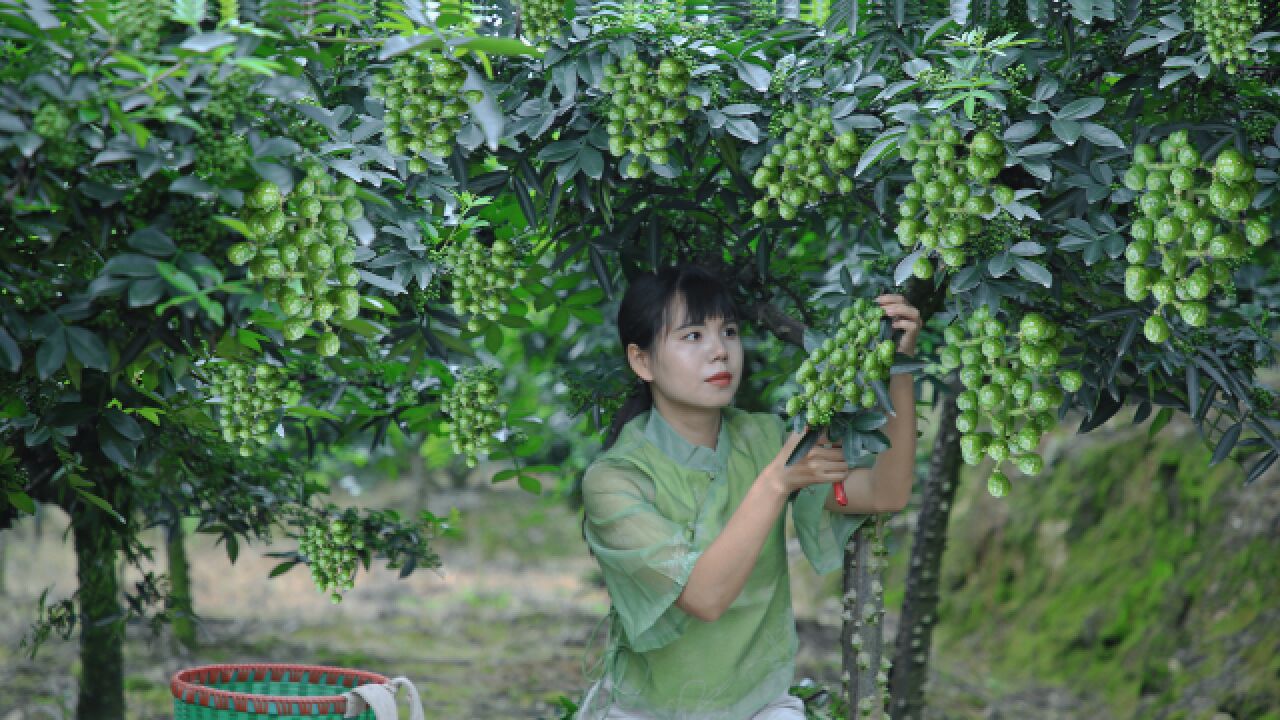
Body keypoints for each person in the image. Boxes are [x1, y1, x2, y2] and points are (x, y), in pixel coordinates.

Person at [576, 264, 922, 719]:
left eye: (730, 332)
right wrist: (776, 482)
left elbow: (884, 493)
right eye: (693, 336)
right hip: (647, 709)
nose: (719, 352)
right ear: (642, 360)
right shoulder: (614, 479)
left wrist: (896, 367)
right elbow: (704, 597)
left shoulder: (766, 439)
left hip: (760, 706)